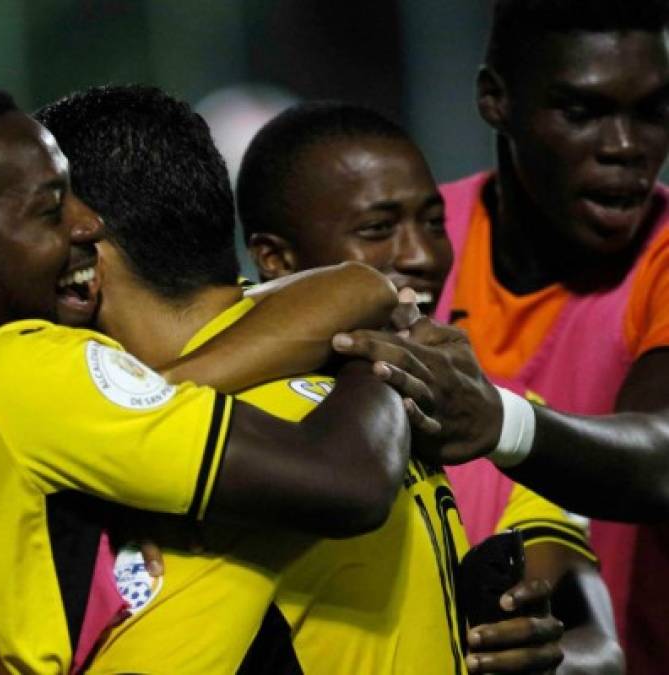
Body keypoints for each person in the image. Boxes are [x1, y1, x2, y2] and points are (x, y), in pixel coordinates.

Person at [0, 82, 415, 673]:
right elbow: (348, 484)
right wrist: (377, 360)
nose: (87, 225)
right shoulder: (24, 370)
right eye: (50, 208)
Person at [36, 84, 568, 675]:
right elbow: (355, 287)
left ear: (81, 247)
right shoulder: (348, 363)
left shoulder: (220, 461)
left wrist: (150, 400)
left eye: (33, 220)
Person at [309, 1, 669, 671]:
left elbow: (662, 457)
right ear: (494, 99)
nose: (625, 146)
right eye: (582, 111)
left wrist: (501, 421)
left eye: (651, 111)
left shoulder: (661, 257)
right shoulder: (408, 243)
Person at [239, 100, 622, 674]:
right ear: (274, 257)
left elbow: (600, 643)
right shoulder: (223, 415)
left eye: (434, 222)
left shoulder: (504, 422)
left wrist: (550, 655)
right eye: (378, 229)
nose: (421, 255)